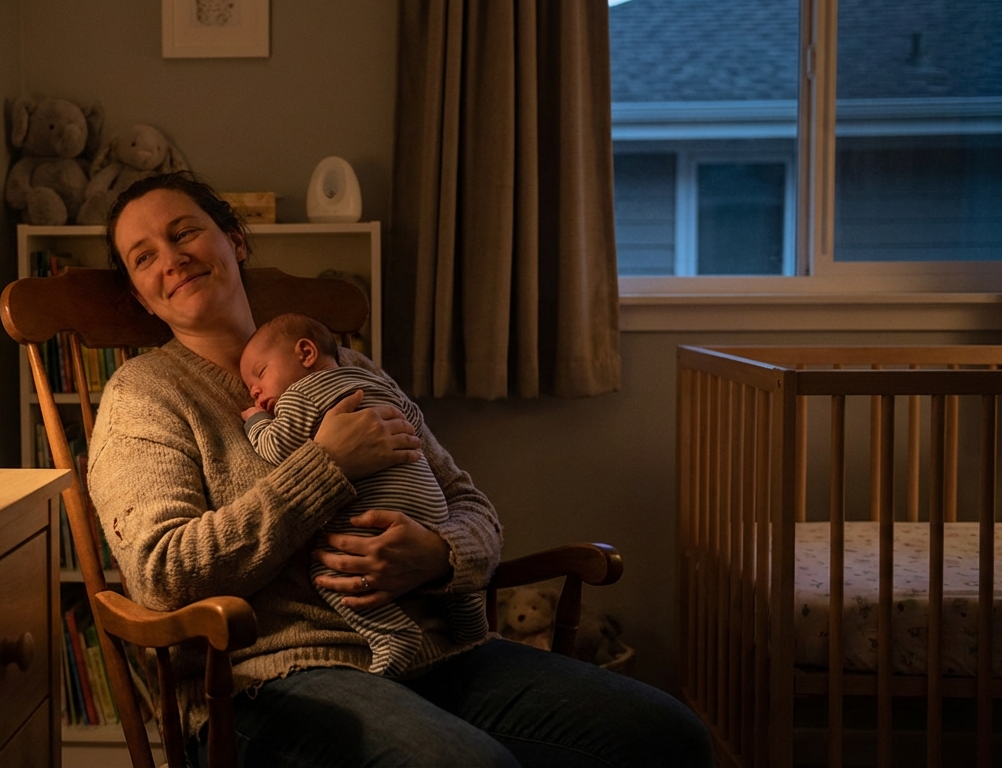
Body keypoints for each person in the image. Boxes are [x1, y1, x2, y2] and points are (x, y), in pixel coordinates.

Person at [89, 171, 712, 768]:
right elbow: (161, 575)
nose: (170, 259)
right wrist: (324, 466)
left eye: (183, 232)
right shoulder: (142, 398)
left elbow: (470, 504)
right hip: (270, 680)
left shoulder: (347, 370)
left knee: (666, 735)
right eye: (143, 257)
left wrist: (439, 555)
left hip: (435, 651)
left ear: (236, 240)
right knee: (463, 765)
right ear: (141, 296)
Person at [238, 312, 488, 675]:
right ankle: (470, 626)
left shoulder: (299, 395)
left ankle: (391, 633)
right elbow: (414, 421)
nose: (256, 391)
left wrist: (255, 421)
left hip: (375, 515)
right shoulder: (372, 380)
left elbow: (277, 447)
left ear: (305, 353)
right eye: (250, 390)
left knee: (330, 568)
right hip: (432, 508)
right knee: (455, 584)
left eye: (259, 375)